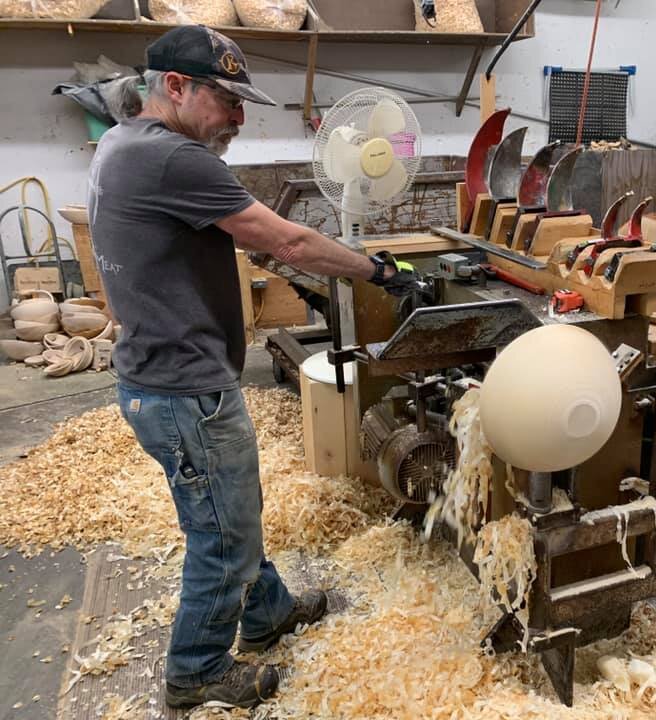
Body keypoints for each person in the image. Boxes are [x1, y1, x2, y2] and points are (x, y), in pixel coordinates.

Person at [87, 25, 418, 710]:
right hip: (184, 388)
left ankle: (265, 613)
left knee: (228, 509)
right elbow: (289, 238)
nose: (239, 117)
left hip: (157, 377)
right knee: (221, 529)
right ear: (174, 88)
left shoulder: (122, 142)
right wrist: (377, 271)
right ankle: (197, 668)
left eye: (244, 101)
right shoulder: (177, 159)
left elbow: (217, 237)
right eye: (227, 99)